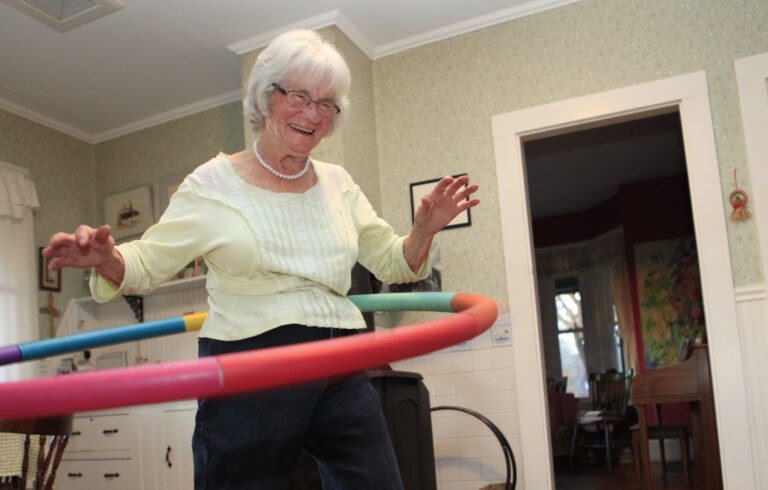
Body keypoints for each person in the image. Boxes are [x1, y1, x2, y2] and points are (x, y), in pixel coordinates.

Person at [43, 29, 479, 490]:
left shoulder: (338, 183)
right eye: (299, 95)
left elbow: (393, 262)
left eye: (326, 103)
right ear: (265, 97)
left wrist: (424, 230)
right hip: (250, 362)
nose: (312, 113)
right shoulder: (211, 184)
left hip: (342, 357)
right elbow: (145, 265)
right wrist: (105, 258)